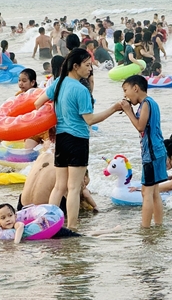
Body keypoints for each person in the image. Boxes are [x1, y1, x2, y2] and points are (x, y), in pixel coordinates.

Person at [34, 48, 121, 230]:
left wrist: (53, 120)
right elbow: (89, 120)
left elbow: (37, 103)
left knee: (59, 187)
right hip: (78, 140)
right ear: (76, 66)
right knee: (73, 188)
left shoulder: (58, 82)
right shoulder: (81, 90)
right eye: (87, 65)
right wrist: (113, 109)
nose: (90, 69)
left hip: (61, 139)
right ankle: (72, 227)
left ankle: (48, 223)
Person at [120, 75, 167, 228]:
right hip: (157, 151)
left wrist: (128, 111)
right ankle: (159, 225)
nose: (125, 95)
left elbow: (140, 126)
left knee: (146, 193)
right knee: (154, 193)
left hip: (152, 153)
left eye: (126, 90)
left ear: (136, 88)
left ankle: (145, 228)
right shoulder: (151, 103)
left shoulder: (146, 103)